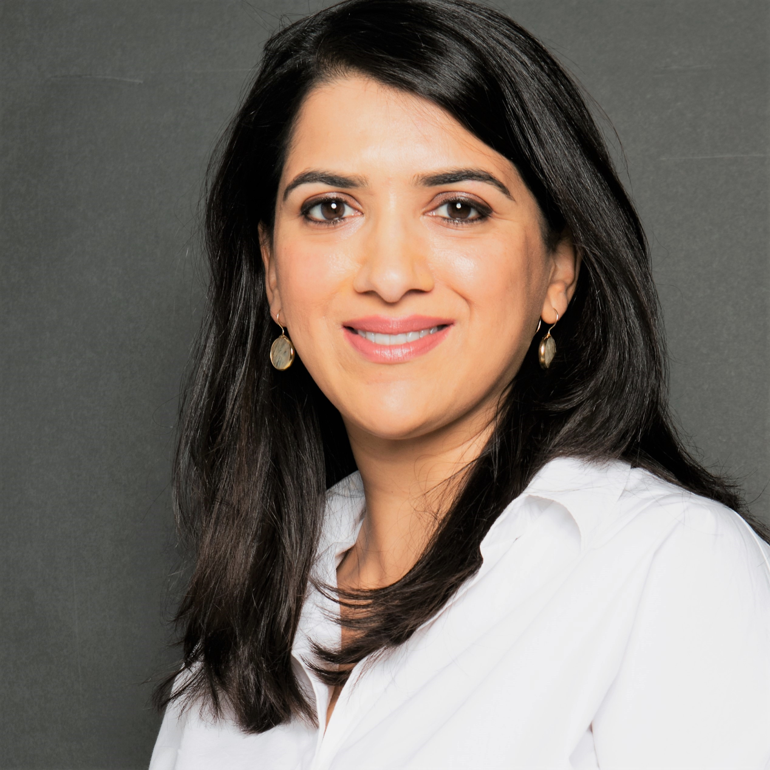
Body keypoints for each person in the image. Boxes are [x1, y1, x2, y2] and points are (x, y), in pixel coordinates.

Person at [149, 0, 770, 767]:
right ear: (273, 275)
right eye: (330, 208)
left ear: (559, 271)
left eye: (458, 208)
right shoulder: (248, 620)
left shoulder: (671, 570)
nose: (389, 275)